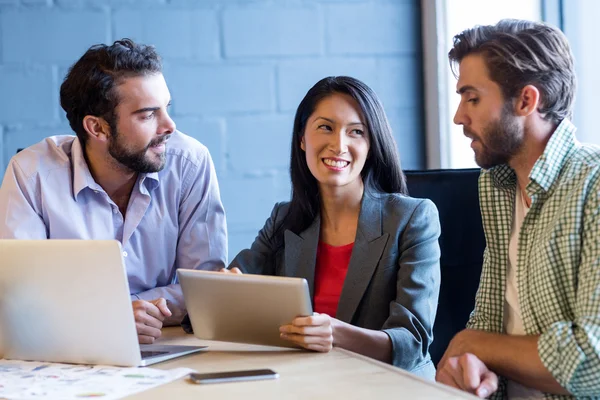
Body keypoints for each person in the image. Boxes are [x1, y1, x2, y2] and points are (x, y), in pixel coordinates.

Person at [0, 39, 227, 344]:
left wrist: (127, 311)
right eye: (148, 115)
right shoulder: (32, 173)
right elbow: (18, 296)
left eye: (166, 108)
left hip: (163, 343)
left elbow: (206, 288)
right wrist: (110, 315)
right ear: (97, 128)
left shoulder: (189, 163)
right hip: (68, 348)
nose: (169, 125)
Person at [224, 76, 441, 379]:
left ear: (371, 144)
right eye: (325, 127)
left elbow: (413, 343)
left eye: (356, 132)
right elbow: (232, 285)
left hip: (389, 386)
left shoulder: (412, 218)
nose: (339, 145)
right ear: (302, 138)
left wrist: (337, 334)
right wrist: (224, 289)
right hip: (308, 381)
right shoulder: (284, 219)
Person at [436, 19, 600, 399]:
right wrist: (471, 367)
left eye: (472, 98)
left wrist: (471, 345)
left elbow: (593, 360)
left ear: (526, 101)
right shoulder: (497, 186)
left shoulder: (593, 185)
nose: (459, 117)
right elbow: (489, 320)